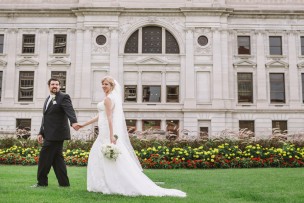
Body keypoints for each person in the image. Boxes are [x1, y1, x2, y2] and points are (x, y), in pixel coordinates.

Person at [79, 76, 186, 197]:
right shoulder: (109, 98)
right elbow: (100, 115)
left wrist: (111, 136)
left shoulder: (109, 99)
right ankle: (104, 183)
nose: (104, 86)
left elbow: (110, 118)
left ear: (112, 86)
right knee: (100, 156)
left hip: (106, 131)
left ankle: (111, 183)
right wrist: (82, 125)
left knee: (105, 156)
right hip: (104, 129)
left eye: (106, 84)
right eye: (102, 84)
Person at [31, 78, 79, 188]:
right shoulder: (48, 98)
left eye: (57, 84)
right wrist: (40, 133)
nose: (55, 86)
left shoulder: (63, 97)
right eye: (53, 84)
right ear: (49, 86)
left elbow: (69, 110)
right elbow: (46, 117)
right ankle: (64, 184)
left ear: (60, 86)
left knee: (44, 158)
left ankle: (42, 183)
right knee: (57, 160)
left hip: (56, 134)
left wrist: (74, 122)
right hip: (49, 133)